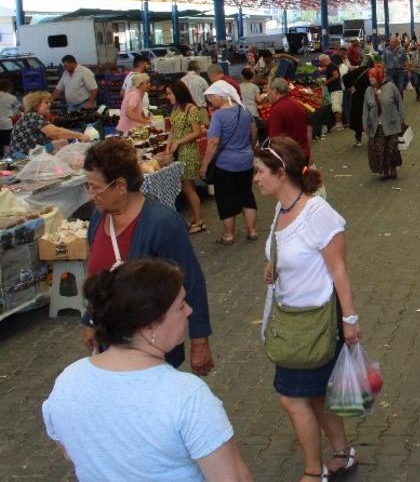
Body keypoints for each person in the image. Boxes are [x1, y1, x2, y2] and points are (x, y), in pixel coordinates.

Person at [45, 259, 249, 482]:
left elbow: (70, 451)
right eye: (180, 306)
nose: (189, 310)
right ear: (149, 324)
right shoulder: (187, 396)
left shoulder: (68, 381)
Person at [254, 137, 360, 482]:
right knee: (315, 395)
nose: (255, 179)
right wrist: (274, 265)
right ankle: (343, 451)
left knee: (292, 398)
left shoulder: (318, 214)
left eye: (259, 172)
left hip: (316, 324)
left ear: (280, 172)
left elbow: (339, 270)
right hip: (292, 319)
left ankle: (314, 471)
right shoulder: (281, 209)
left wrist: (350, 320)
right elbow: (288, 249)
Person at [81, 138, 214, 374]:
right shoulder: (99, 218)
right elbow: (98, 279)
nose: (91, 195)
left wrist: (199, 340)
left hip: (153, 349)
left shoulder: (162, 224)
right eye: (88, 186)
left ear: (120, 185)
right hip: (110, 345)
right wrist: (90, 320)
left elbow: (191, 281)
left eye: (96, 187)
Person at [201, 81, 258, 245]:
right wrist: (251, 149)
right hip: (246, 161)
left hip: (225, 164)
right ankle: (252, 230)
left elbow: (213, 143)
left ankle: (228, 235)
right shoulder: (245, 110)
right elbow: (253, 131)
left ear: (221, 96)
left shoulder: (218, 115)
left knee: (226, 199)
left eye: (212, 97)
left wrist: (204, 164)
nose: (211, 101)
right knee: (247, 195)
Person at [165, 82, 206, 234]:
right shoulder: (176, 109)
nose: (168, 97)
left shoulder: (192, 109)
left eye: (170, 93)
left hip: (188, 152)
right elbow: (172, 129)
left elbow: (197, 133)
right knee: (187, 187)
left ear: (178, 93)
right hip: (177, 151)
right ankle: (194, 217)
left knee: (187, 188)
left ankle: (200, 220)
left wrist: (178, 142)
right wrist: (168, 147)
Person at [10, 91, 90, 155]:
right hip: (22, 159)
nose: (50, 105)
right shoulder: (33, 116)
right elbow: (55, 132)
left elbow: (53, 135)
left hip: (28, 155)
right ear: (36, 105)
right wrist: (80, 136)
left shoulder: (31, 117)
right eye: (46, 102)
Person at [362, 64, 404, 180]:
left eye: (373, 77)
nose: (370, 79)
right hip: (376, 126)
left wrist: (402, 118)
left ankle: (393, 169)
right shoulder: (368, 91)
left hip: (392, 124)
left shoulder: (391, 87)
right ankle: (384, 171)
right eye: (369, 77)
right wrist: (364, 123)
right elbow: (365, 109)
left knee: (392, 149)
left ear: (379, 76)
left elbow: (399, 103)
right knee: (380, 149)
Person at [266, 77, 312, 162]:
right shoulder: (299, 104)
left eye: (268, 91)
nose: (267, 94)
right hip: (303, 154)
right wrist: (309, 151)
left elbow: (275, 139)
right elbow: (309, 129)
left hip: (288, 158)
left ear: (274, 91)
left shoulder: (276, 110)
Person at [0, 79, 18, 153]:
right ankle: (7, 162)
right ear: (8, 87)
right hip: (6, 125)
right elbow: (23, 109)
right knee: (6, 145)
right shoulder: (12, 98)